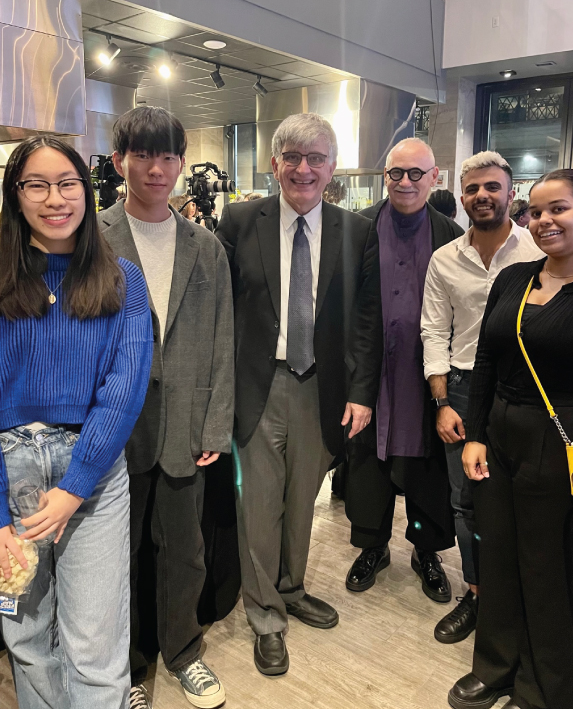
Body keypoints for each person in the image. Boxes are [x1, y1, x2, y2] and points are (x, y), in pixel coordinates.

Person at [216, 112, 382, 676]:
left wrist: (361, 392)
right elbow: (218, 313)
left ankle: (290, 586)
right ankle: (265, 615)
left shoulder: (356, 230)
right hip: (257, 386)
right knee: (258, 505)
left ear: (332, 168)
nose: (303, 168)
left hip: (322, 388)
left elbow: (366, 319)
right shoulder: (239, 221)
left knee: (302, 500)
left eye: (316, 158)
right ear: (274, 164)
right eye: (292, 157)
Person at [0, 136, 153, 708]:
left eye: (66, 184)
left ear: (86, 194)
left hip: (94, 469)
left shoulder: (123, 280)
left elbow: (124, 389)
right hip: (8, 471)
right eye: (35, 185)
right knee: (27, 636)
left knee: (95, 642)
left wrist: (73, 487)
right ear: (16, 196)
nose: (54, 198)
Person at [99, 107, 234, 709]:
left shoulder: (206, 246)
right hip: (113, 430)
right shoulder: (92, 239)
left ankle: (182, 653)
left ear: (182, 163)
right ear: (120, 160)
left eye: (169, 156)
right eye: (144, 155)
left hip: (186, 425)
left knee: (185, 550)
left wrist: (217, 422)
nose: (158, 168)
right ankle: (126, 666)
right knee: (116, 556)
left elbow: (223, 338)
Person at [449, 168, 573, 709]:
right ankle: (496, 665)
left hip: (566, 443)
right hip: (502, 435)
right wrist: (477, 434)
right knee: (501, 557)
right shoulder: (515, 280)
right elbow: (486, 359)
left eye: (559, 209)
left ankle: (543, 690)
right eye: (536, 211)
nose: (544, 221)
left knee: (551, 570)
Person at [421, 151, 543, 646]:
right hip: (464, 388)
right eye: (472, 189)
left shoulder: (540, 249)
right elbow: (434, 331)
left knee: (523, 499)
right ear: (462, 196)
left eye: (492, 187)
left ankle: (517, 599)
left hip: (529, 391)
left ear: (511, 193)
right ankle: (476, 592)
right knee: (466, 500)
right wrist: (442, 401)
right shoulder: (445, 259)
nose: (481, 196)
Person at [344, 138, 461, 604]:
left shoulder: (452, 235)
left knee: (426, 467)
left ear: (435, 178)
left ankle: (425, 551)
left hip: (425, 372)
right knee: (367, 464)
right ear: (384, 176)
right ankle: (373, 546)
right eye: (396, 173)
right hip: (370, 371)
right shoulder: (360, 229)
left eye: (417, 173)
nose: (406, 182)